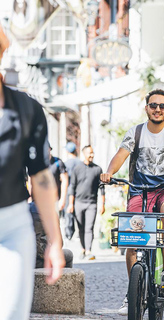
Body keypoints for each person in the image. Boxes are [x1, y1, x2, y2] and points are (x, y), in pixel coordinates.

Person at [100, 88, 164, 315]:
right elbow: (120, 156)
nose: (158, 109)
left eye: (162, 106)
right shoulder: (136, 133)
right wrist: (109, 172)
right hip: (140, 190)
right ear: (146, 108)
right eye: (153, 105)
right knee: (132, 235)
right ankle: (131, 295)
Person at [0, 25, 64, 320]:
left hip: (12, 226)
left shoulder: (27, 109)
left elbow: (40, 177)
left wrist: (54, 240)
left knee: (12, 313)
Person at [67, 145, 105, 260]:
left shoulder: (98, 169)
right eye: (89, 153)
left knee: (89, 227)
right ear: (84, 154)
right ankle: (83, 249)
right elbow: (72, 187)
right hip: (78, 203)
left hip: (91, 203)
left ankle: (88, 250)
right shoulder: (77, 169)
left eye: (93, 153)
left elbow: (102, 188)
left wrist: (102, 204)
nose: (91, 155)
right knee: (81, 228)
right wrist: (70, 204)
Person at [64, 141, 82, 240]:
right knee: (79, 211)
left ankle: (69, 234)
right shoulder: (80, 163)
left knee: (69, 212)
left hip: (68, 190)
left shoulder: (66, 163)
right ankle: (80, 233)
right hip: (79, 190)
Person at [48, 144, 68, 213]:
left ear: (50, 149)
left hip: (55, 199)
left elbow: (65, 180)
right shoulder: (38, 163)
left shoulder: (58, 162)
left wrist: (62, 199)